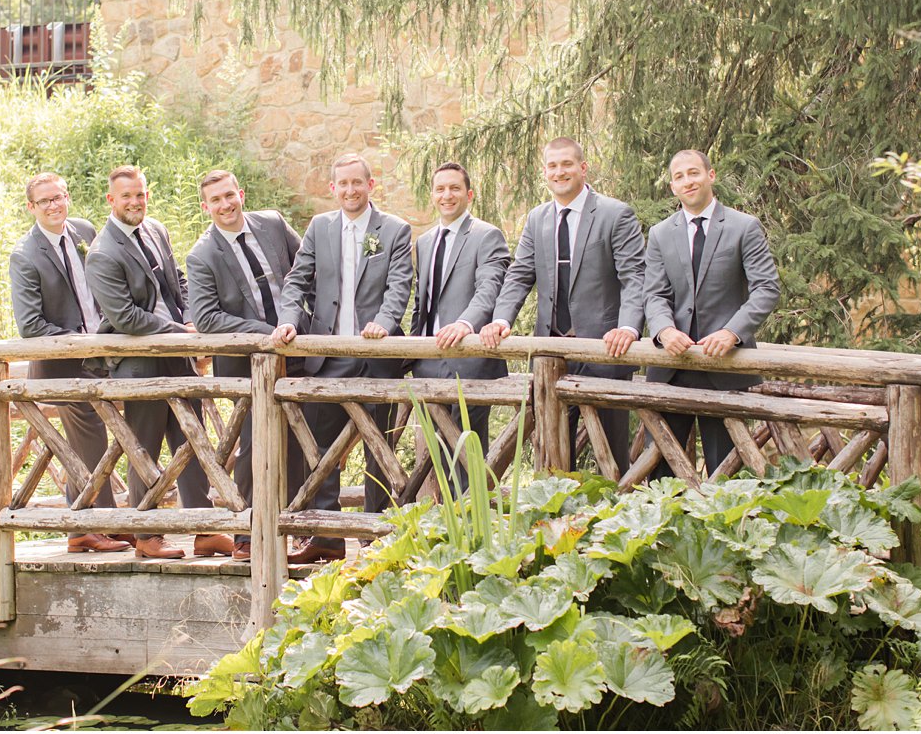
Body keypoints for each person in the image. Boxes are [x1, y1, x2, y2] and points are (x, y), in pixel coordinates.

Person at [85, 165, 233, 560]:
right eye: (127, 196)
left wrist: (191, 319)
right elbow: (125, 318)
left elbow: (178, 281)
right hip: (140, 365)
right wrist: (177, 331)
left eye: (140, 194)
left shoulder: (156, 230)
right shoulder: (102, 253)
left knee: (194, 444)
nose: (135, 202)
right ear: (111, 200)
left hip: (179, 357)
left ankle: (205, 531)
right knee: (143, 451)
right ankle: (146, 536)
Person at [270, 153, 413, 564]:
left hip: (375, 358)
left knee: (378, 448)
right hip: (327, 356)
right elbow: (296, 281)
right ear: (332, 189)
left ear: (371, 185)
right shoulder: (320, 227)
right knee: (320, 450)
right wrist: (289, 322)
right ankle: (327, 536)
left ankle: (377, 536)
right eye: (343, 184)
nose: (350, 190)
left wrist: (385, 323)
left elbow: (400, 286)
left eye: (357, 183)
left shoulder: (395, 230)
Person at [481, 137, 646, 470]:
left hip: (606, 350)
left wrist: (628, 327)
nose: (560, 172)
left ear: (583, 167)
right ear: (545, 172)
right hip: (551, 353)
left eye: (567, 164)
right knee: (552, 452)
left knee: (611, 456)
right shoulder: (537, 218)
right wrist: (501, 319)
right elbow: (519, 276)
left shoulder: (616, 214)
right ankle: (557, 520)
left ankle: (616, 519)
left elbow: (635, 278)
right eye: (553, 166)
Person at [7, 173, 132, 554]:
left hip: (104, 356)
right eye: (45, 201)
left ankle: (88, 527)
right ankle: (95, 526)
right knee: (90, 441)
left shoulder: (84, 231)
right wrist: (82, 342)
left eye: (59, 197)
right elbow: (31, 326)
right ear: (32, 207)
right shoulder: (25, 255)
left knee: (104, 440)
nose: (54, 205)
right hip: (61, 366)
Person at [185, 169, 306, 562]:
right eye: (215, 200)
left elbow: (306, 271)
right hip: (246, 366)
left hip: (299, 350)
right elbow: (206, 318)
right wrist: (268, 331)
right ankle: (247, 536)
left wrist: (298, 320)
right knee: (254, 448)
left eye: (228, 196)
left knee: (302, 441)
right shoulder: (202, 255)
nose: (225, 205)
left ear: (240, 193)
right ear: (206, 208)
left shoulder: (272, 224)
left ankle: (298, 527)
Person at [643, 149, 780, 478]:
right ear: (673, 187)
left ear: (711, 175)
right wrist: (664, 331)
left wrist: (732, 332)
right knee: (660, 471)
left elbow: (767, 288)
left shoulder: (744, 227)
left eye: (694, 173)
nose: (687, 181)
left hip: (726, 366)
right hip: (671, 367)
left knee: (727, 472)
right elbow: (654, 293)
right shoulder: (660, 233)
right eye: (679, 177)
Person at [409, 162, 510, 483]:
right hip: (428, 363)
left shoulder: (486, 235)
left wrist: (465, 325)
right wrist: (410, 353)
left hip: (470, 362)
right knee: (436, 458)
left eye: (454, 188)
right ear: (433, 195)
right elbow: (421, 303)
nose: (446, 195)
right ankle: (443, 528)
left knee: (468, 456)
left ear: (469, 194)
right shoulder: (424, 242)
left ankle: (473, 528)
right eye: (440, 189)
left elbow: (489, 290)